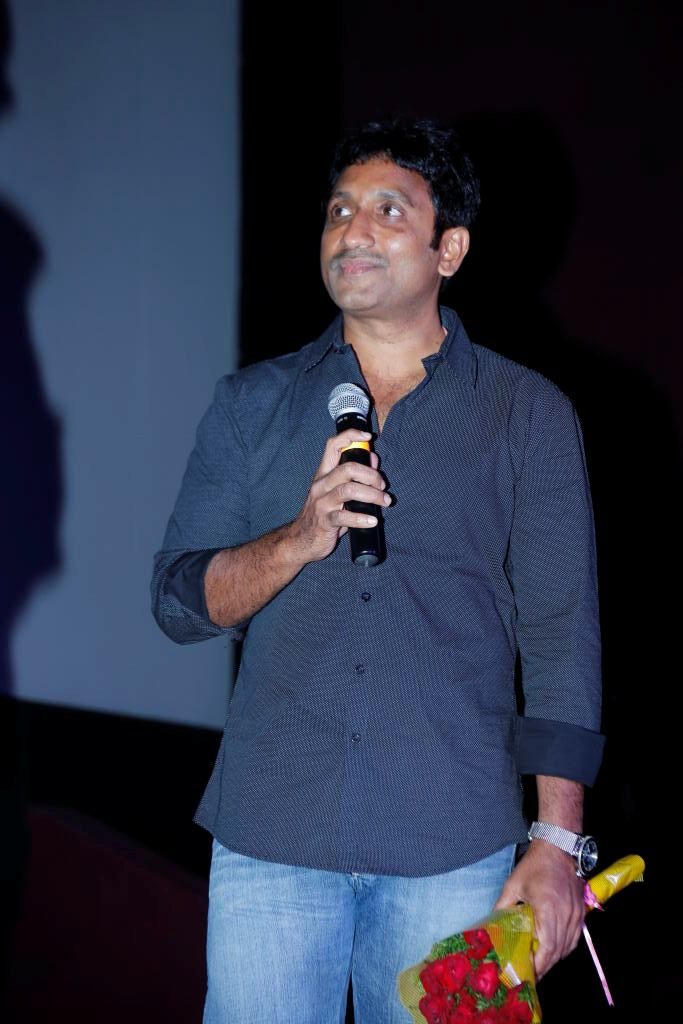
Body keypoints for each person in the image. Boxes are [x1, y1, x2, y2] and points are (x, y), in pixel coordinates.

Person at [151, 118, 604, 1024]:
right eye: (338, 210)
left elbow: (560, 636)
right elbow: (178, 602)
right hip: (271, 840)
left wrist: (557, 843)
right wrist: (297, 537)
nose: (351, 229)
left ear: (449, 249)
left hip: (453, 847)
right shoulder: (252, 404)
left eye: (388, 211)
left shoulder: (526, 414)